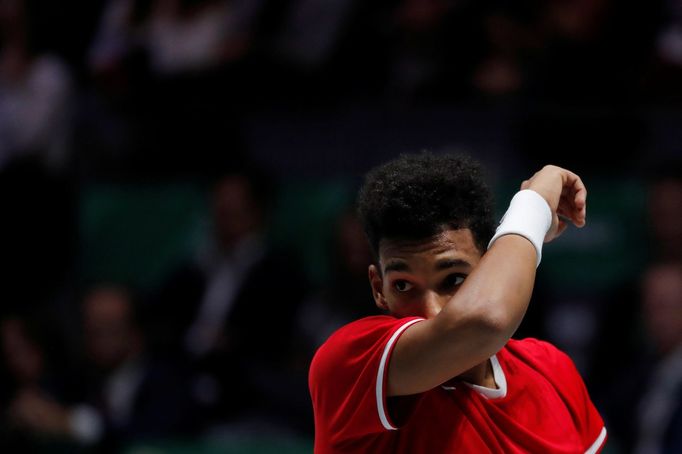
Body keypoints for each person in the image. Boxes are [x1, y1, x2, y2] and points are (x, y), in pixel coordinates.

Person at [308, 152, 606, 452]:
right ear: (378, 288)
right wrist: (534, 203)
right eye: (403, 285)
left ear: (490, 266)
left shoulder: (551, 370)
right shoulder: (350, 364)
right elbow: (485, 321)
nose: (432, 311)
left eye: (454, 280)